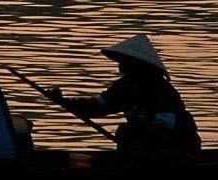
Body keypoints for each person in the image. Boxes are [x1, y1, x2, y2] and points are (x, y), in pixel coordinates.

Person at [49, 34, 201, 158]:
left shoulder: (161, 90)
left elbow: (162, 129)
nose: (121, 67)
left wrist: (137, 147)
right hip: (143, 151)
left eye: (126, 63)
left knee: (128, 133)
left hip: (178, 150)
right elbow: (96, 107)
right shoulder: (124, 87)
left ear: (140, 66)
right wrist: (63, 102)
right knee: (126, 132)